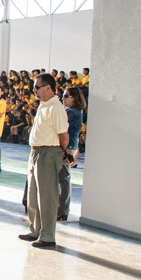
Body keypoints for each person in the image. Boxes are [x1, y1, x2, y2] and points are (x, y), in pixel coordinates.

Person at [19, 73, 68, 249]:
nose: (35, 91)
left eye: (37, 87)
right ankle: (34, 229)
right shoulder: (43, 106)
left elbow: (64, 136)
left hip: (48, 152)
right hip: (36, 152)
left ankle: (47, 236)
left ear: (48, 87)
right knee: (33, 194)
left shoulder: (56, 107)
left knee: (47, 196)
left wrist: (60, 153)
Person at [58, 86, 86, 221]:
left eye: (66, 96)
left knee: (64, 178)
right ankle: (61, 209)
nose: (63, 98)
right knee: (63, 178)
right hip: (68, 145)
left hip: (68, 147)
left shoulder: (73, 112)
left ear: (74, 99)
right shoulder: (72, 111)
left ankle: (63, 210)